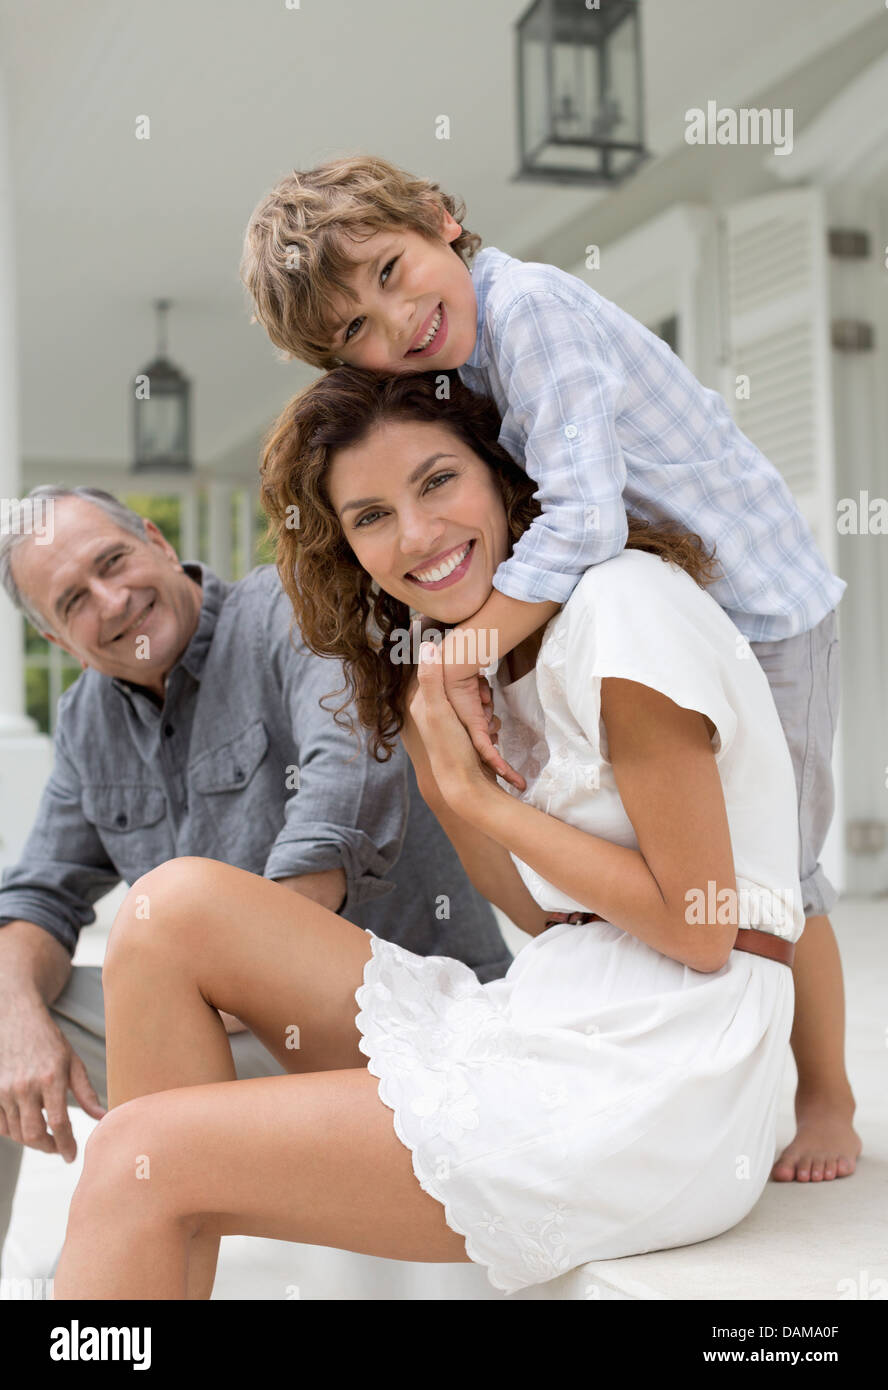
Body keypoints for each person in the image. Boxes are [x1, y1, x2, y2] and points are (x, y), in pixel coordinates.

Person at [56, 369, 816, 1299]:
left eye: (437, 481)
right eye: (371, 516)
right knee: (166, 908)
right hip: (562, 1008)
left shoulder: (625, 606)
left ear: (504, 476)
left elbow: (699, 929)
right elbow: (545, 920)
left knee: (140, 1150)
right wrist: (432, 743)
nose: (415, 536)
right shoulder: (487, 657)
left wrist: (481, 798)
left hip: (662, 1079)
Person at [238, 154, 859, 1184]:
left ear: (442, 219)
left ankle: (825, 1092)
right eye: (355, 328)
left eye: (393, 270)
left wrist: (460, 657)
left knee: (782, 876)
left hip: (762, 606)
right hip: (669, 607)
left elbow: (582, 516)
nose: (396, 323)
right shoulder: (456, 370)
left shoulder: (528, 312)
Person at [0, 485, 511, 1272]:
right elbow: (39, 892)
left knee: (167, 916)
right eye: (74, 601)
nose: (113, 600)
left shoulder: (285, 605)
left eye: (114, 561)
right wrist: (15, 1021)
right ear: (56, 637)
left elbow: (348, 775)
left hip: (390, 1017)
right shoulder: (86, 722)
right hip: (223, 1038)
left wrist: (239, 962)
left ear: (155, 541)